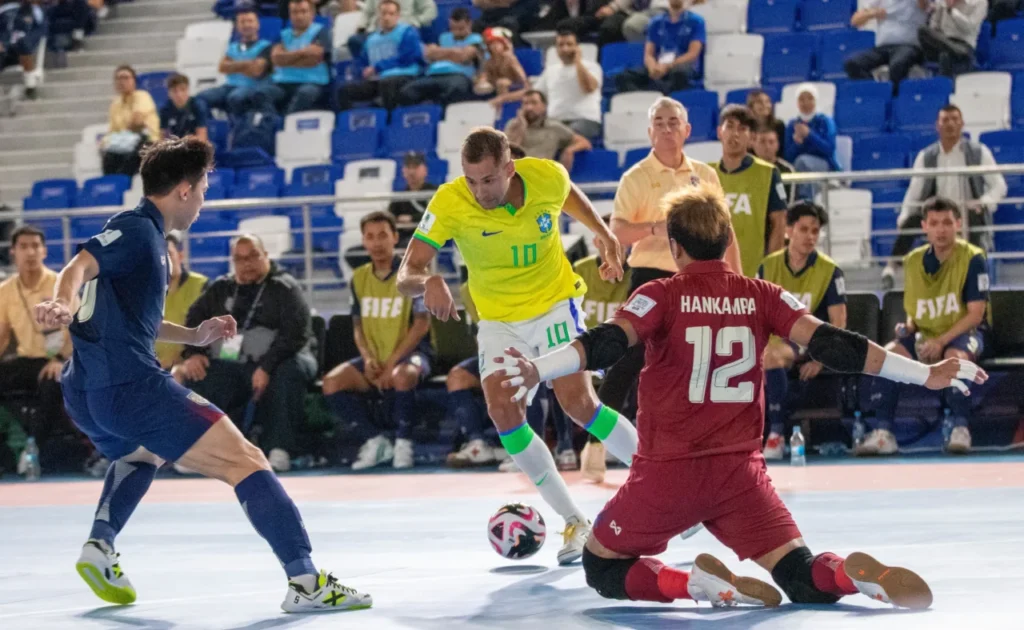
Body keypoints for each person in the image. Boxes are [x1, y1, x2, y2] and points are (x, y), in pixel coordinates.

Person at [495, 182, 985, 611]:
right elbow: (835, 345)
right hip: (740, 475)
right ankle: (843, 575)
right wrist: (925, 374)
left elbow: (604, 342)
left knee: (600, 566)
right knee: (799, 573)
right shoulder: (762, 293)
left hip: (668, 472)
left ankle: (692, 585)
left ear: (675, 248)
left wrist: (538, 366)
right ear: (729, 239)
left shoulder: (660, 295)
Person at [33, 137, 370, 613]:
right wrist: (61, 304)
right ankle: (305, 581)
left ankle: (100, 545)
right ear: (185, 190)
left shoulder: (149, 238)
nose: (207, 196)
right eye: (206, 186)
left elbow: (134, 319)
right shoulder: (134, 230)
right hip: (131, 388)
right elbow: (78, 264)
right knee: (247, 460)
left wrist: (194, 335)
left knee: (140, 454)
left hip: (86, 392)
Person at [397, 128, 636, 564]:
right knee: (503, 410)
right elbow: (404, 273)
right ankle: (575, 522)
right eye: (471, 180)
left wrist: (602, 233)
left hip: (552, 304)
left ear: (509, 168)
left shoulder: (546, 176)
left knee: (577, 404)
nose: (479, 191)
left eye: (488, 180)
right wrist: (428, 280)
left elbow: (568, 195)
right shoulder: (451, 202)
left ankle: (660, 480)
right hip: (499, 320)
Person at [597, 96, 740, 453]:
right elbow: (615, 231)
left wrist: (736, 280)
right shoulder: (637, 176)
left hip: (700, 277)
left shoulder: (705, 175)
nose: (666, 128)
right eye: (659, 122)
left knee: (701, 358)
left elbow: (727, 231)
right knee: (629, 357)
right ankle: (595, 443)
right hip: (651, 274)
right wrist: (655, 229)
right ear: (649, 132)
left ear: (687, 130)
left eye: (673, 121)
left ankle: (701, 441)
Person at [175, 235, 318, 473]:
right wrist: (193, 353)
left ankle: (280, 448)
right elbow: (194, 320)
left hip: (288, 357)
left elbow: (296, 335)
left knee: (285, 373)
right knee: (205, 374)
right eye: (240, 259)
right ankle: (203, 450)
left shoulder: (285, 286)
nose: (247, 264)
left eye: (253, 256)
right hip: (238, 359)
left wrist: (267, 366)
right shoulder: (222, 287)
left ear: (265, 256)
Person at [863, 196, 989, 456]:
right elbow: (917, 312)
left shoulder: (973, 258)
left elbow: (975, 315)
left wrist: (940, 342)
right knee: (887, 356)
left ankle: (960, 428)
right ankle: (884, 432)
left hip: (966, 333)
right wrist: (908, 328)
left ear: (958, 224)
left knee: (954, 357)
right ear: (924, 226)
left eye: (946, 223)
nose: (941, 229)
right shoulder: (912, 261)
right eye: (934, 223)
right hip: (927, 334)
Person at [322, 212, 433, 470]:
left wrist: (392, 362)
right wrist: (370, 359)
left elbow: (421, 324)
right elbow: (357, 327)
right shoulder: (358, 277)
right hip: (374, 357)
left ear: (395, 237)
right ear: (363, 241)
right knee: (331, 383)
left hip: (411, 355)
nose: (377, 242)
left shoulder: (414, 273)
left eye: (383, 235)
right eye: (370, 237)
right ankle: (375, 440)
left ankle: (404, 443)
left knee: (403, 376)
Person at [758, 201, 847, 459]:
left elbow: (838, 322)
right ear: (788, 231)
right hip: (769, 341)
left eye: (815, 231)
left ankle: (775, 435)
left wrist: (820, 359)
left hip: (803, 339)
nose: (810, 236)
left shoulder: (830, 271)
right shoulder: (767, 266)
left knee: (771, 357)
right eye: (804, 229)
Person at [882, 104, 1007, 289]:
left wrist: (983, 202)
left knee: (974, 222)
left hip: (967, 212)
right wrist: (904, 215)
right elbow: (914, 192)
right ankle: (891, 269)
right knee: (911, 221)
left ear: (962, 124)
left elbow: (999, 186)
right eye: (945, 120)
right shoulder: (926, 156)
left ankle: (973, 275)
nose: (950, 124)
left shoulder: (979, 152)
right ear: (937, 125)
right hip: (937, 213)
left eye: (955, 120)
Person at [0, 226, 75, 469]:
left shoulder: (60, 285)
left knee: (51, 384)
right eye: (23, 247)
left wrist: (60, 359)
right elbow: (2, 336)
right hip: (26, 361)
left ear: (44, 251)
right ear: (13, 252)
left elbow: (80, 330)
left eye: (35, 246)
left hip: (59, 360)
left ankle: (33, 450)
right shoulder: (5, 291)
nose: (30, 252)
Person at [572, 244, 633, 483]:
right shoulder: (582, 269)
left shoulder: (640, 271)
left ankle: (599, 447)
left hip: (624, 348)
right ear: (597, 242)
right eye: (608, 240)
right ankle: (571, 447)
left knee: (628, 370)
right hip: (587, 346)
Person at [711, 105, 788, 278]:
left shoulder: (768, 173)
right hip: (714, 272)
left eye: (742, 129)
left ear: (752, 138)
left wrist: (770, 269)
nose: (735, 134)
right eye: (729, 126)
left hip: (753, 273)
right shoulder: (706, 173)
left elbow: (779, 223)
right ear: (719, 132)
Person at [337, 0, 423, 112]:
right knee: (344, 90)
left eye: (391, 14)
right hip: (377, 79)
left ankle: (390, 120)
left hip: (405, 76)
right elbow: (362, 61)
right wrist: (362, 71)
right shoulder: (371, 39)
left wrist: (378, 67)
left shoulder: (407, 32)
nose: (387, 17)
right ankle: (351, 123)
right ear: (378, 15)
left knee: (386, 83)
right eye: (383, 13)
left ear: (397, 16)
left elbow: (408, 58)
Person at [197, 7, 273, 122]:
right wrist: (248, 63)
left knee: (235, 97)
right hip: (229, 86)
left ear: (257, 24)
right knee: (200, 98)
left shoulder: (266, 46)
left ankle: (238, 132)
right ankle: (208, 129)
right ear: (237, 26)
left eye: (250, 21)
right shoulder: (232, 46)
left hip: (252, 86)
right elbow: (222, 67)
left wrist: (234, 65)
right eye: (242, 22)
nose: (246, 25)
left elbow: (256, 70)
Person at [614, 0, 706, 94]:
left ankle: (668, 100)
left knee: (679, 74)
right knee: (623, 77)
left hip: (680, 66)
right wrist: (652, 67)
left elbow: (693, 54)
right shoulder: (656, 22)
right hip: (658, 65)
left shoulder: (696, 21)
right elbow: (649, 54)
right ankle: (646, 101)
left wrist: (668, 66)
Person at [397, 7, 482, 107]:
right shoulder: (443, 37)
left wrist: (439, 52)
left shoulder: (476, 38)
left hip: (459, 75)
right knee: (408, 91)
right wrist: (454, 53)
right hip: (433, 74)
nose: (456, 32)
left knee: (455, 89)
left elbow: (463, 56)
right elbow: (428, 53)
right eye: (453, 28)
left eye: (461, 29)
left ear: (469, 24)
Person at [264, 0, 332, 116]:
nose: (299, 16)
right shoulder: (283, 34)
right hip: (283, 82)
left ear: (312, 14)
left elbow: (314, 59)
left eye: (303, 12)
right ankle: (271, 124)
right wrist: (303, 52)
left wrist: (287, 58)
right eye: (294, 12)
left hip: (312, 81)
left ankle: (285, 124)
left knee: (305, 93)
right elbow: (276, 59)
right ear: (290, 15)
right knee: (260, 93)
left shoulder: (321, 32)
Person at [532, 28, 603, 139]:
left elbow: (589, 87)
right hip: (555, 121)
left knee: (558, 137)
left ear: (577, 47)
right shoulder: (550, 71)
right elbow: (536, 94)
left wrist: (578, 62)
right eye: (561, 45)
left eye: (569, 44)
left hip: (585, 120)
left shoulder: (591, 67)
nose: (565, 48)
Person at [844, 0, 927, 93]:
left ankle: (895, 98)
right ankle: (877, 95)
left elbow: (924, 5)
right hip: (883, 47)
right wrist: (873, 13)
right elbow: (855, 21)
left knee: (898, 63)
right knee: (852, 63)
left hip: (909, 46)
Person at [155, 233, 208, 371]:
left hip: (187, 364)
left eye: (169, 255)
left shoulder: (201, 285)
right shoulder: (146, 291)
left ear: (180, 256)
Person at [504, 90, 592, 173]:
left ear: (544, 106)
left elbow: (584, 142)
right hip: (516, 174)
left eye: (534, 103)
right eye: (525, 103)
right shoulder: (513, 125)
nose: (529, 108)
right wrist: (521, 127)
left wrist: (569, 150)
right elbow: (507, 153)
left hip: (541, 175)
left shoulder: (554, 127)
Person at [784, 83, 840, 201]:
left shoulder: (825, 121)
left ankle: (805, 200)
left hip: (824, 164)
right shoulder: (792, 125)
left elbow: (829, 149)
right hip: (799, 168)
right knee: (801, 164)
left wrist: (809, 135)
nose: (806, 103)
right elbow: (788, 157)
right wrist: (797, 144)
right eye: (802, 99)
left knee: (802, 161)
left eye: (810, 98)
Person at [102, 65, 159, 177]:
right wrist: (106, 142)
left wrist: (127, 130)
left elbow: (137, 123)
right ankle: (113, 188)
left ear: (134, 81)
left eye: (126, 78)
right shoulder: (115, 104)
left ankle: (125, 184)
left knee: (132, 155)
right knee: (108, 157)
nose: (121, 82)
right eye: (118, 78)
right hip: (124, 142)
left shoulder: (142, 96)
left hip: (146, 141)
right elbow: (112, 131)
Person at [918, 0, 986, 78]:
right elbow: (934, 26)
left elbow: (969, 28)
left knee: (945, 55)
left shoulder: (980, 2)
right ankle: (959, 54)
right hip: (942, 42)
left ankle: (959, 53)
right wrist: (937, 14)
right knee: (922, 31)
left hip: (963, 44)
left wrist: (951, 10)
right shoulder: (943, 1)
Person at [388, 152, 438, 243]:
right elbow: (389, 217)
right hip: (403, 239)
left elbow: (438, 215)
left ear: (425, 170)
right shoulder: (399, 197)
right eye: (408, 167)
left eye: (415, 167)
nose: (411, 172)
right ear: (403, 171)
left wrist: (412, 219)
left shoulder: (436, 192)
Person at [474, 26, 530, 108]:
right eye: (492, 44)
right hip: (495, 83)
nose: (495, 47)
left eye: (497, 43)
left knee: (502, 82)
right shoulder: (490, 61)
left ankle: (503, 108)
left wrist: (525, 83)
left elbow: (521, 76)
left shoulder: (510, 58)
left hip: (513, 83)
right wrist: (482, 79)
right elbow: (486, 75)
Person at [0, 1, 46, 99]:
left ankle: (30, 87)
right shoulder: (3, 11)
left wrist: (28, 41)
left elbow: (40, 30)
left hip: (24, 48)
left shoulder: (34, 10)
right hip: (5, 48)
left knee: (24, 44)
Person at [753, 124, 796, 204]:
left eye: (771, 142)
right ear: (754, 144)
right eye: (762, 142)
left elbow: (789, 202)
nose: (767, 146)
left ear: (777, 145)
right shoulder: (747, 167)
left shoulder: (787, 169)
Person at [160, 73, 209, 142]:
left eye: (183, 89)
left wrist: (185, 141)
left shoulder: (198, 105)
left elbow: (202, 137)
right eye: (174, 91)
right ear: (169, 93)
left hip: (194, 146)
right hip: (175, 147)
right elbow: (162, 137)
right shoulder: (165, 109)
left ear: (188, 90)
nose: (179, 95)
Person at [746, 89, 785, 158]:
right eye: (759, 102)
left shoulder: (779, 125)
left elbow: (782, 151)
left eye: (767, 102)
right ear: (751, 106)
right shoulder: (745, 127)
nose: (764, 105)